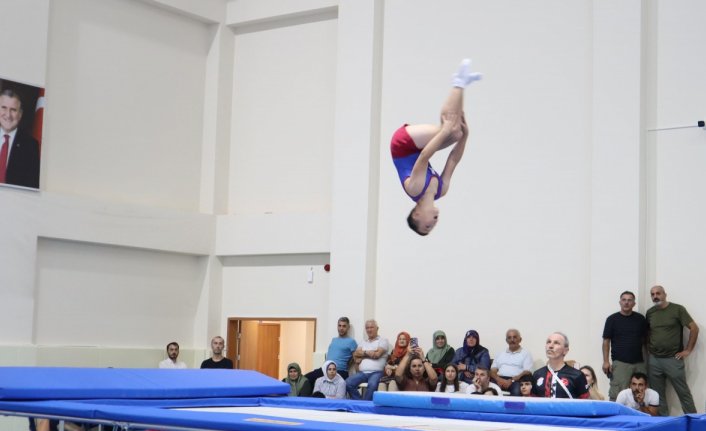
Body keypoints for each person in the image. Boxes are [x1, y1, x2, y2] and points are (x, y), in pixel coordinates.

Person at [391, 58, 481, 235]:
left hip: (402, 145)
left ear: (416, 214)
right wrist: (465, 137)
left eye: (427, 226)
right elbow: (453, 160)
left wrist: (443, 132)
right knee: (458, 133)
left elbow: (424, 156)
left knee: (448, 129)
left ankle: (458, 82)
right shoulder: (442, 190)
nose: (433, 224)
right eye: (432, 228)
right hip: (418, 151)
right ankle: (462, 85)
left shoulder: (415, 188)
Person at [646, 285, 698, 415]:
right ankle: (664, 423)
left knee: (683, 392)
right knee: (657, 396)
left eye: (658, 293)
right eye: (652, 294)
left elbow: (694, 328)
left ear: (665, 294)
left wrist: (688, 350)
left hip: (673, 359)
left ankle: (695, 422)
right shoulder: (650, 312)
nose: (655, 296)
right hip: (654, 360)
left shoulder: (677, 309)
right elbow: (647, 332)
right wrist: (649, 349)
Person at [601, 290, 648, 400]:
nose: (626, 302)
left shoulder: (640, 319)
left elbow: (646, 341)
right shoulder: (612, 319)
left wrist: (648, 360)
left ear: (634, 304)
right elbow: (606, 341)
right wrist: (606, 361)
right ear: (620, 302)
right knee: (618, 395)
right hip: (620, 363)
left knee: (640, 394)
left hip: (639, 363)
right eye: (624, 300)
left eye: (629, 300)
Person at [0, 89, 40, 188]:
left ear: (20, 114)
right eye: (4, 108)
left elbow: (31, 187)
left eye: (13, 110)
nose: (8, 115)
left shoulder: (31, 146)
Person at [531, 332, 589, 399]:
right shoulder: (537, 374)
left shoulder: (577, 375)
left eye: (556, 343)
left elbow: (584, 404)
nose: (550, 346)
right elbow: (533, 402)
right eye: (548, 342)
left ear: (565, 350)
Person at [346, 319, 390, 400]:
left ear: (377, 328)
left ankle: (365, 406)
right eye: (367, 328)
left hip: (377, 372)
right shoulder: (363, 342)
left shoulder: (383, 341)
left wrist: (362, 354)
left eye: (371, 327)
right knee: (348, 383)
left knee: (372, 385)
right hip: (362, 373)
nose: (369, 330)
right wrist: (368, 353)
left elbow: (377, 355)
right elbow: (356, 354)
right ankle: (360, 404)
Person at [305, 317, 357, 386]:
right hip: (325, 369)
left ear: (348, 327)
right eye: (339, 326)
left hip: (339, 371)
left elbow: (355, 357)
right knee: (305, 379)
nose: (341, 328)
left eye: (344, 326)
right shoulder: (334, 340)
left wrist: (348, 365)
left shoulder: (351, 341)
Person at [490, 329, 533, 396]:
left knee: (517, 391)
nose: (512, 340)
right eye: (509, 337)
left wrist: (512, 380)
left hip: (516, 380)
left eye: (515, 337)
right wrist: (499, 379)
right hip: (499, 378)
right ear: (506, 340)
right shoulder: (500, 353)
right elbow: (492, 371)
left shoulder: (526, 353)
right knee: (489, 390)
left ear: (520, 339)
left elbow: (527, 372)